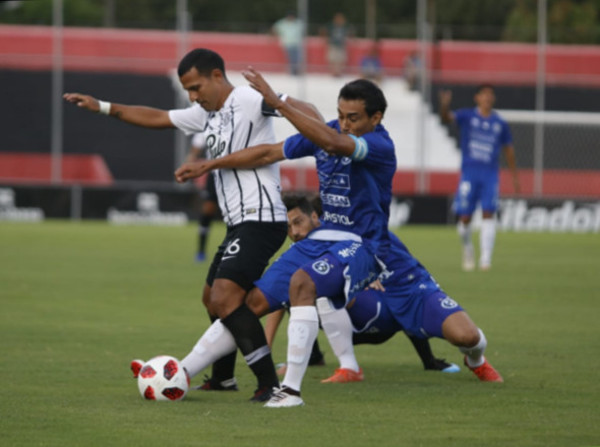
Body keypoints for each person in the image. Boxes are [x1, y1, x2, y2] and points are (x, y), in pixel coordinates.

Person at [64, 48, 321, 402]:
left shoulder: (249, 98)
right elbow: (158, 117)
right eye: (188, 90)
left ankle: (268, 384)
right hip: (238, 223)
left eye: (196, 87)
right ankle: (223, 378)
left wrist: (278, 100)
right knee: (211, 299)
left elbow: (313, 116)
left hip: (261, 218)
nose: (193, 96)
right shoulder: (207, 115)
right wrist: (105, 107)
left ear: (218, 76)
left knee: (226, 297)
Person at [176, 70, 402, 408]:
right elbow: (267, 153)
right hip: (323, 239)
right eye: (340, 116)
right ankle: (179, 373)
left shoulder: (378, 145)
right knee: (248, 304)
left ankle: (290, 391)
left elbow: (332, 143)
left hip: (363, 245)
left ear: (376, 117)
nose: (344, 124)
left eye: (353, 118)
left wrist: (277, 100)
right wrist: (210, 165)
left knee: (302, 282)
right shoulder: (328, 131)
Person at [266, 194, 459, 381]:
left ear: (316, 217)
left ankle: (425, 359)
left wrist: (366, 270)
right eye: (288, 227)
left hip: (378, 319)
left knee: (400, 292)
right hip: (353, 324)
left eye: (298, 223)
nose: (294, 233)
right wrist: (266, 350)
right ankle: (315, 358)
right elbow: (279, 297)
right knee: (297, 288)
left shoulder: (363, 236)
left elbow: (408, 278)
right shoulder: (303, 251)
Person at [439, 84, 520, 271]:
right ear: (477, 98)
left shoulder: (500, 123)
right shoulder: (467, 116)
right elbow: (446, 118)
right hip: (470, 172)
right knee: (465, 217)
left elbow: (508, 149)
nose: (487, 98)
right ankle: (467, 247)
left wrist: (514, 175)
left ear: (493, 99)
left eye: (490, 95)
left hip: (490, 174)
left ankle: (485, 260)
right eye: (484, 95)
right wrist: (444, 106)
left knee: (488, 213)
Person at [187, 132, 220, 262]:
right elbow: (195, 150)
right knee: (207, 211)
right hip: (214, 174)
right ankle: (201, 251)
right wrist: (189, 165)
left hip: (234, 172)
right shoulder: (208, 125)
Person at [272, 11, 303, 76]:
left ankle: (296, 71)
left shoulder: (298, 23)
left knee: (297, 58)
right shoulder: (282, 23)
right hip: (287, 44)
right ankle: (292, 72)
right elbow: (274, 28)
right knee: (291, 59)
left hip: (297, 44)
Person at [324, 12, 350, 77]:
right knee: (332, 59)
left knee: (341, 59)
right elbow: (324, 30)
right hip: (333, 44)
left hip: (341, 45)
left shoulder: (344, 27)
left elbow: (349, 33)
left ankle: (339, 72)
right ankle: (333, 72)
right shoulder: (331, 26)